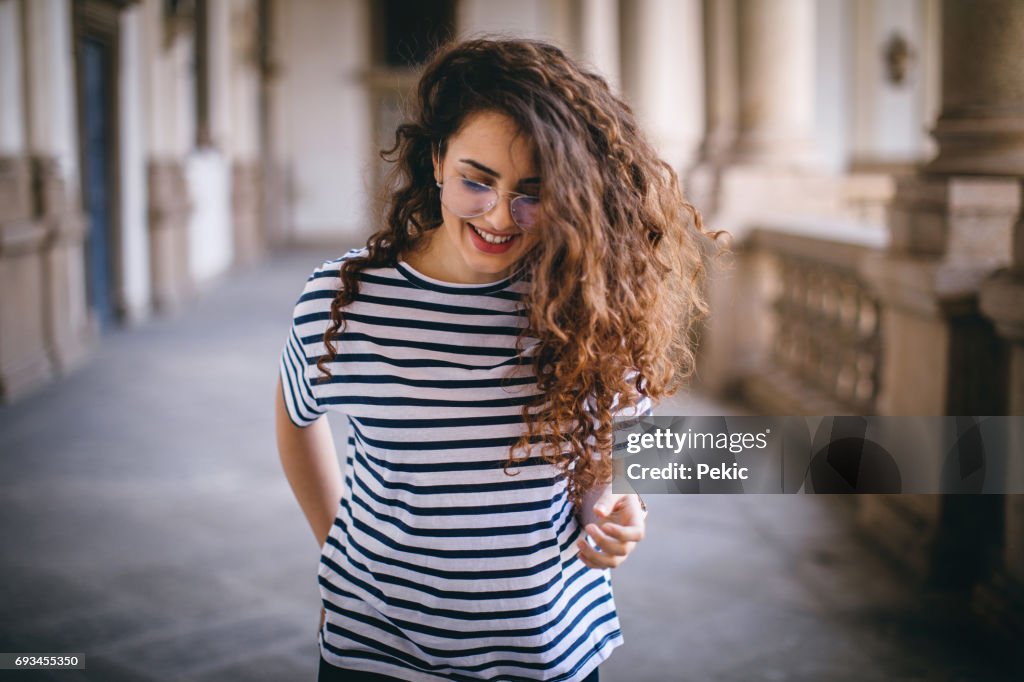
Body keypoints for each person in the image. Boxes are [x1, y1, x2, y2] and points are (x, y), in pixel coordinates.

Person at [275, 38, 715, 682]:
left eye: (533, 192)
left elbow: (616, 444)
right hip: (375, 652)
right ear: (435, 161)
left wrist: (612, 505)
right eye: (476, 181)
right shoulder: (343, 301)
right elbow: (296, 419)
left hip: (547, 649)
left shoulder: (588, 300)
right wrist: (335, 549)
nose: (501, 217)